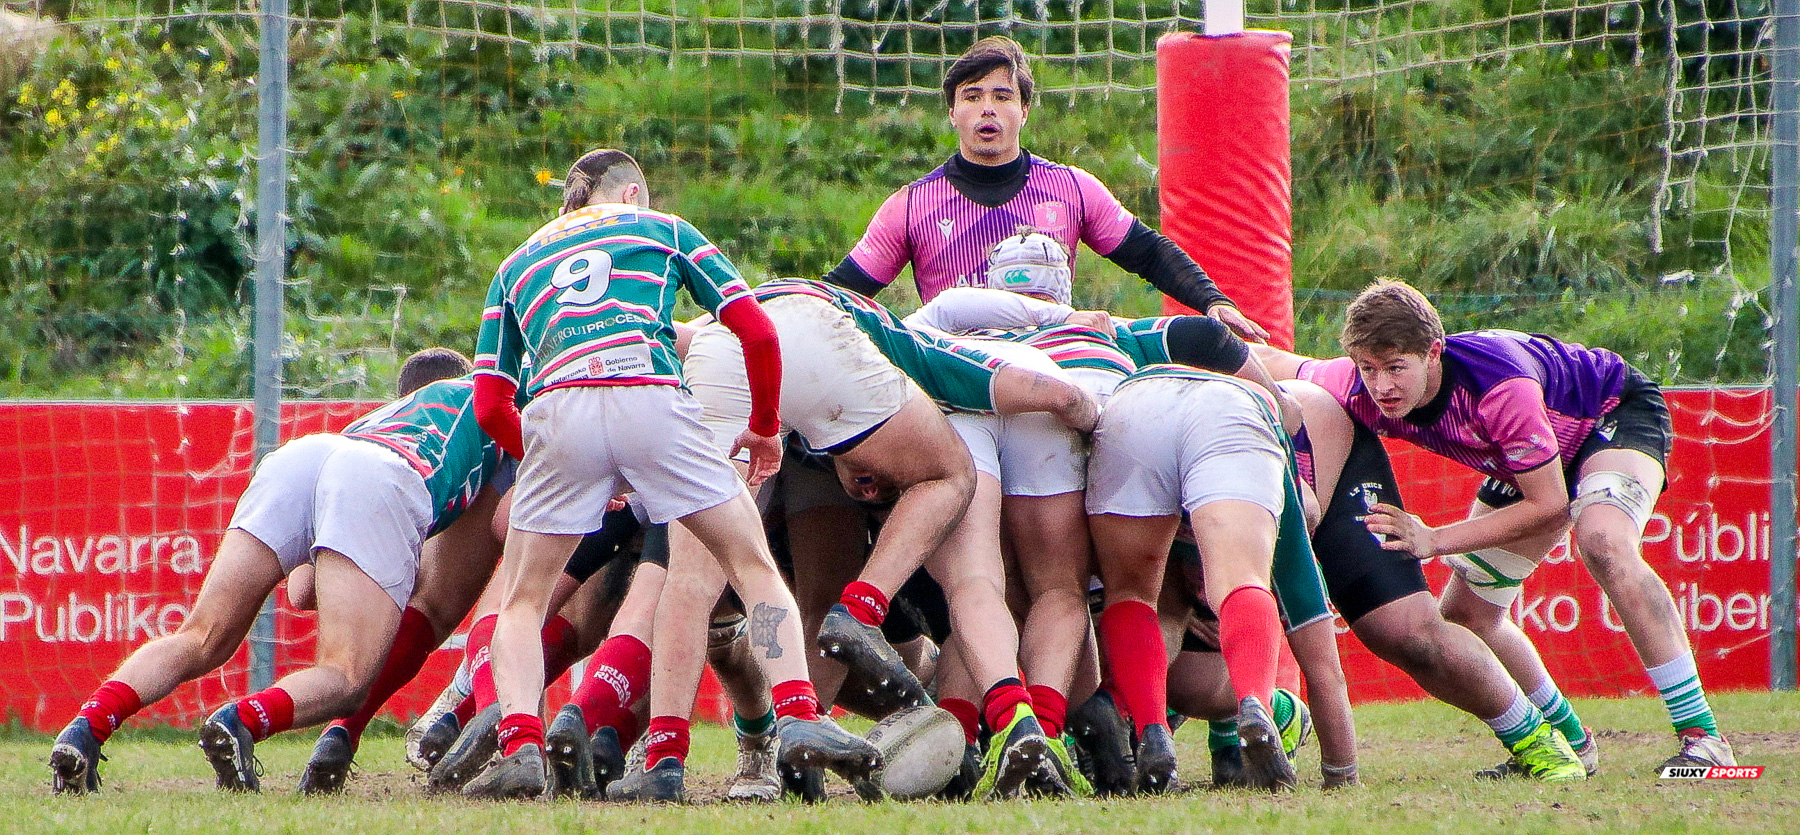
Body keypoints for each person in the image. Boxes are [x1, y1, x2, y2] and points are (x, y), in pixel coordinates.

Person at [464, 149, 877, 800]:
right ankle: (797, 715)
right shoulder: (663, 228)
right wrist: (765, 424)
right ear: (632, 196)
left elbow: (490, 402)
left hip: (557, 407)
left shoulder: (518, 262)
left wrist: (548, 453)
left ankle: (519, 741)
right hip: (652, 392)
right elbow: (756, 332)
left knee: (519, 600)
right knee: (752, 568)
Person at [1277, 279, 1732, 774]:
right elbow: (1275, 361)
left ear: (1433, 354)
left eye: (1395, 369)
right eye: (1368, 369)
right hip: (1526, 464)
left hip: (1609, 415)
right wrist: (1205, 330)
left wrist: (1434, 540)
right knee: (1466, 615)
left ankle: (1703, 739)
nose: (1381, 386)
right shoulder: (1355, 386)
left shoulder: (1497, 385)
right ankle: (1571, 744)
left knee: (1603, 542)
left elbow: (1552, 504)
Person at [48, 350, 510, 794]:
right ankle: (242, 720)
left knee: (200, 635)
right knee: (348, 679)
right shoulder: (506, 409)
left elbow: (301, 591)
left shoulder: (382, 418)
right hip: (384, 478)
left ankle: (86, 728)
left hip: (304, 457)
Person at [821, 35, 1267, 344]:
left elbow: (1149, 252)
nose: (987, 110)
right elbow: (842, 292)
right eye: (972, 97)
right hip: (959, 370)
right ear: (952, 113)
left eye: (1002, 96)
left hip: (1059, 359)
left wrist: (1212, 301)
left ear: (1025, 110)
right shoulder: (910, 205)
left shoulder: (1071, 187)